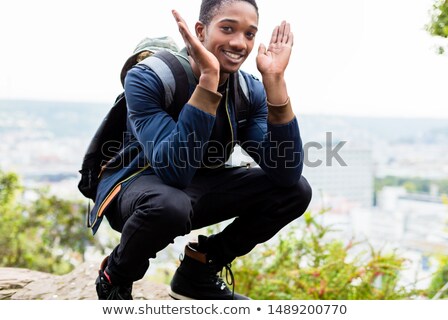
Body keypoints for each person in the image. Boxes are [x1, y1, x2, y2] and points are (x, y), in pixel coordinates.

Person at [93, 0, 312, 300]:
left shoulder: (248, 91)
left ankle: (198, 270)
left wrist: (275, 83)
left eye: (249, 34)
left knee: (296, 190)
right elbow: (174, 171)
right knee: (170, 204)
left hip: (194, 189)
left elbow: (286, 174)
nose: (239, 43)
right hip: (139, 189)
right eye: (227, 28)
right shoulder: (148, 78)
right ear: (200, 30)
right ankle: (114, 278)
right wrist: (209, 81)